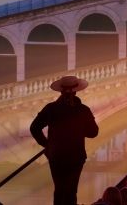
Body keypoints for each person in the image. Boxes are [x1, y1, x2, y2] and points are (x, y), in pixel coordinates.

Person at [30, 75, 99, 205]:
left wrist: (47, 145)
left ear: (61, 91)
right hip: (76, 157)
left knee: (60, 189)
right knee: (71, 191)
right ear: (76, 90)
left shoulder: (51, 109)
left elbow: (34, 128)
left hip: (56, 156)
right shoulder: (83, 110)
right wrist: (79, 129)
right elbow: (93, 132)